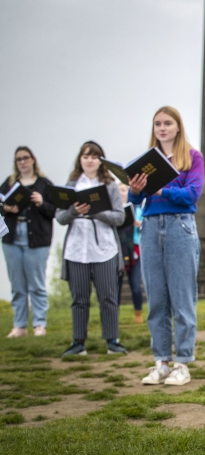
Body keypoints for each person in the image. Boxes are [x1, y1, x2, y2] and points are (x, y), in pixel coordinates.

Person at [130, 106, 205, 386]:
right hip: (150, 227)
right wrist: (136, 190)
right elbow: (136, 201)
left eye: (167, 123)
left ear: (178, 127)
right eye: (157, 124)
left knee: (182, 300)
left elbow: (191, 194)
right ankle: (161, 362)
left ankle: (182, 363)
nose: (162, 128)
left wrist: (160, 189)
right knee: (157, 301)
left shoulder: (192, 157)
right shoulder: (147, 162)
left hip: (180, 227)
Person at [56, 141, 127, 356]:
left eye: (94, 157)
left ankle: (112, 340)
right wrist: (74, 211)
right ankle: (78, 342)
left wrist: (96, 212)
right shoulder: (71, 185)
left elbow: (120, 217)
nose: (90, 160)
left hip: (104, 249)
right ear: (80, 159)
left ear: (100, 161)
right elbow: (60, 217)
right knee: (79, 298)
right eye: (86, 156)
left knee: (108, 296)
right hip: (77, 249)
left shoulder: (110, 186)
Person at [1, 147, 55, 337]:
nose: (22, 162)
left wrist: (41, 202)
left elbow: (55, 209)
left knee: (36, 283)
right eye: (18, 159)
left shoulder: (44, 184)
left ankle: (39, 324)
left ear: (33, 160)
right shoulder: (8, 184)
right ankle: (20, 325)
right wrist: (6, 208)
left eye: (25, 158)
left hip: (37, 238)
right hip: (12, 238)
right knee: (17, 284)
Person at [116, 183, 144, 324]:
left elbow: (144, 223)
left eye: (124, 190)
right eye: (119, 190)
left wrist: (140, 224)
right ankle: (114, 316)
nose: (122, 193)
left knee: (135, 284)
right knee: (116, 287)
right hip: (118, 250)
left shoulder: (137, 208)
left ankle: (138, 313)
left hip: (134, 251)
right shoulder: (113, 210)